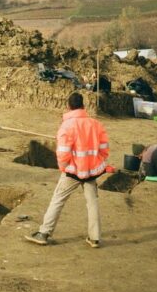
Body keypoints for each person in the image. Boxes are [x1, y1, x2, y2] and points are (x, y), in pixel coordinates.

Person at [26, 93, 109, 248]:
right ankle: (95, 238)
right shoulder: (96, 124)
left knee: (58, 200)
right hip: (91, 171)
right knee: (92, 203)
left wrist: (64, 168)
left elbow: (63, 153)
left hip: (73, 171)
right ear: (83, 106)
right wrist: (97, 163)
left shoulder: (67, 126)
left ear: (69, 106)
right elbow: (104, 148)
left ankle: (44, 233)